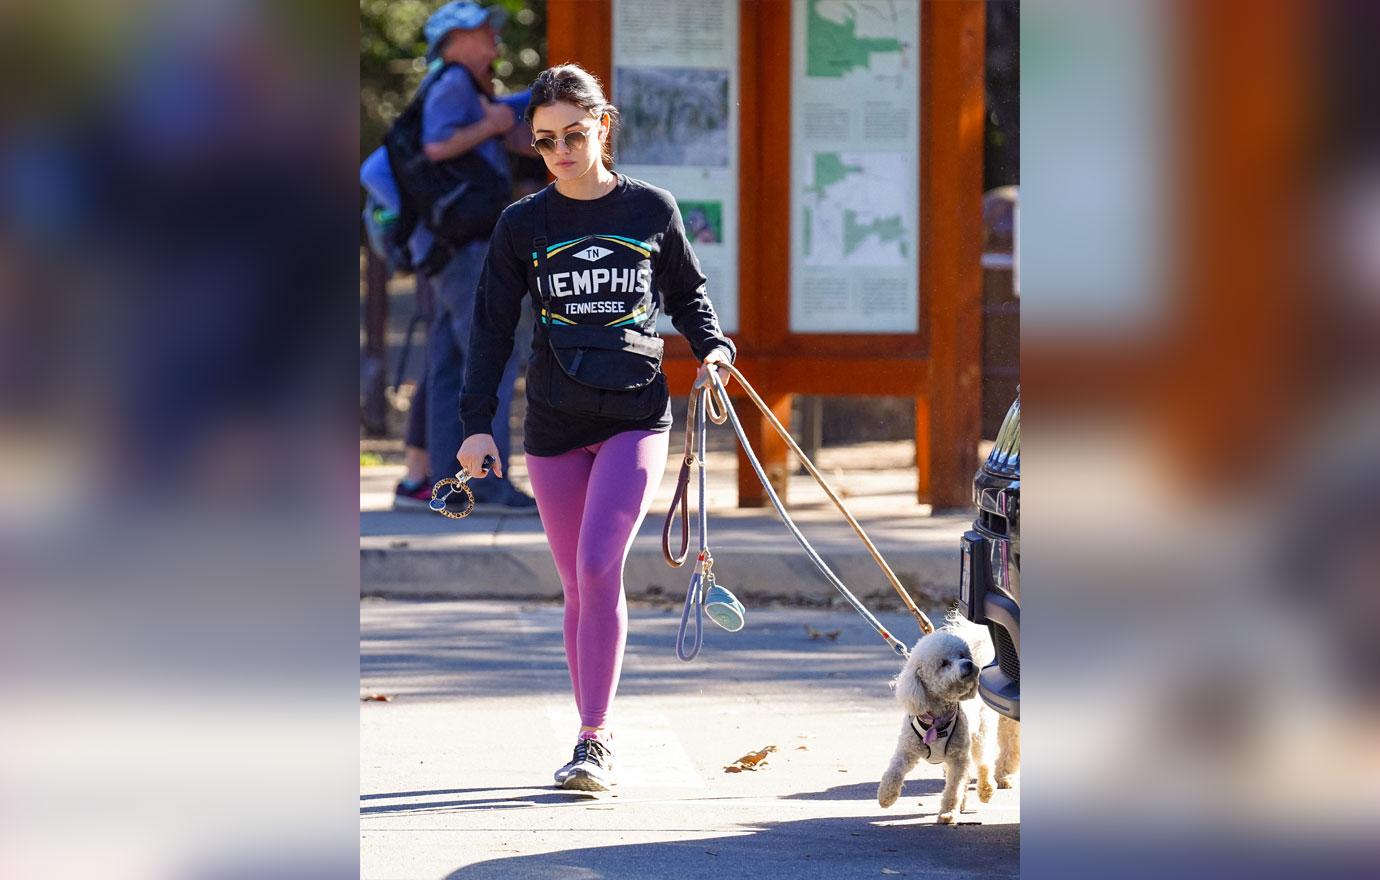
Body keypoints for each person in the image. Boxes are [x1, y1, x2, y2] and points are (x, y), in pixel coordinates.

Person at [457, 63, 736, 792]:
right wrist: (474, 425)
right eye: (545, 141)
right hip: (552, 425)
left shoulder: (652, 210)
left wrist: (713, 349)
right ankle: (592, 729)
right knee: (577, 588)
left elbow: (689, 296)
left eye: (573, 135)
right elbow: (489, 330)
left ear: (603, 125)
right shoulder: (524, 225)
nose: (560, 151)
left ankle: (594, 741)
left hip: (634, 418)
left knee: (595, 567)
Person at [412, 1, 537, 510]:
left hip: (445, 248)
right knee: (493, 358)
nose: (494, 41)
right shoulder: (452, 84)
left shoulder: (457, 86)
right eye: (486, 32)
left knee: (452, 366)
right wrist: (491, 126)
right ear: (457, 39)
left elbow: (509, 128)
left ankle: (451, 484)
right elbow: (438, 146)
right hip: (464, 250)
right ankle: (484, 482)